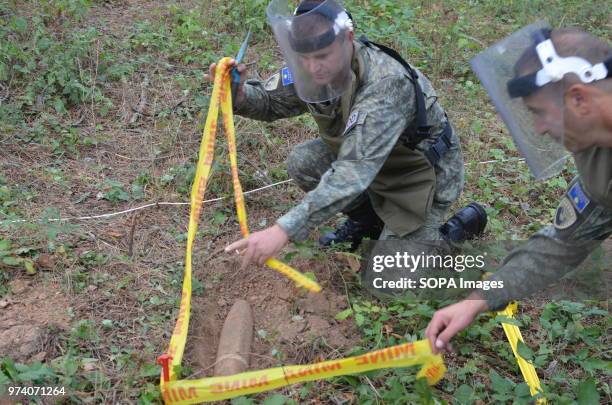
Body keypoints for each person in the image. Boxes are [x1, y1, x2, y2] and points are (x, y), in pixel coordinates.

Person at [207, 0, 480, 270]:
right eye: (305, 57)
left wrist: (282, 231)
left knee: (388, 281)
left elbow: (353, 172)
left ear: (347, 39)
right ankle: (368, 222)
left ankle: (450, 235)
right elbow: (269, 102)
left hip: (419, 176)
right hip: (372, 162)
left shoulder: (386, 84)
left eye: (323, 56)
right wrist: (239, 94)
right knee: (305, 161)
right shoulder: (314, 65)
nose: (313, 68)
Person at [426, 25, 612, 354]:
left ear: (580, 98)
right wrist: (477, 300)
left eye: (539, 113)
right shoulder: (597, 150)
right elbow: (563, 244)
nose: (539, 129)